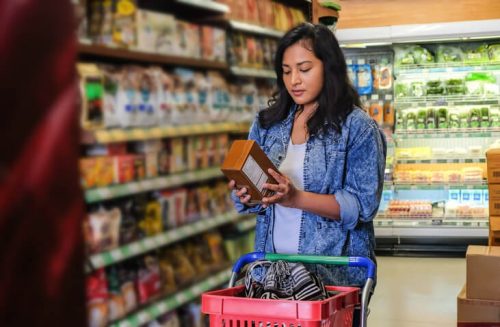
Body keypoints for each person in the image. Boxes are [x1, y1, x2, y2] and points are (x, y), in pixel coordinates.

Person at [229, 22, 386, 298]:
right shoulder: (268, 124)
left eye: (304, 69)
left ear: (329, 67)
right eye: (287, 71)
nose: (294, 81)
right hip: (272, 274)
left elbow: (361, 207)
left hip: (331, 278)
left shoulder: (357, 128)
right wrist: (249, 195)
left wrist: (295, 198)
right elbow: (263, 202)